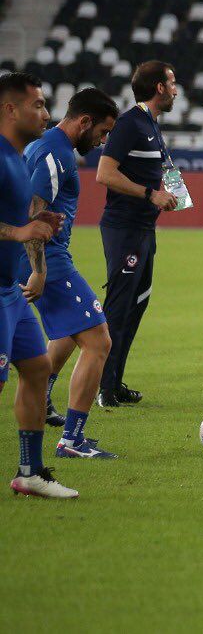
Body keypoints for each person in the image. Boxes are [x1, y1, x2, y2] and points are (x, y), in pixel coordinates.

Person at [19, 88, 119, 458]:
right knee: (98, 341)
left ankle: (44, 400)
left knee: (67, 333)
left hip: (43, 256)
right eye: (103, 132)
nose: (103, 141)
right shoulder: (56, 155)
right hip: (45, 259)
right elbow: (33, 213)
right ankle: (72, 440)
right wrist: (39, 271)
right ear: (85, 121)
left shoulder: (45, 146)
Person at [0, 72, 76, 497]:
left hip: (10, 288)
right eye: (39, 105)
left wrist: (37, 223)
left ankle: (30, 473)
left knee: (37, 368)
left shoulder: (15, 155)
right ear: (10, 109)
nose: (46, 114)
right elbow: (12, 228)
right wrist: (20, 232)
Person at [94, 61, 180, 408]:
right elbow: (104, 173)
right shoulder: (129, 123)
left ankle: (114, 382)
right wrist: (151, 194)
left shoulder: (151, 126)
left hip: (144, 229)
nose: (176, 89)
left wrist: (178, 195)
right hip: (124, 228)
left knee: (137, 306)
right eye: (172, 83)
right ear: (158, 87)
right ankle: (102, 387)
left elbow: (164, 166)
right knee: (118, 308)